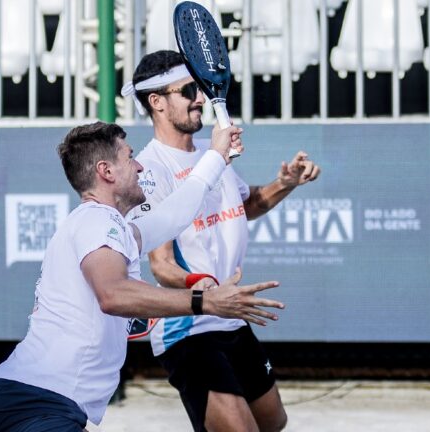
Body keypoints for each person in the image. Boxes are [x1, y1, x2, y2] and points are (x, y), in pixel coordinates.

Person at [0, 121, 285, 432]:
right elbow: (113, 294)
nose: (139, 167)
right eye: (130, 157)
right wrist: (206, 301)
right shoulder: (97, 220)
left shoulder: (113, 229)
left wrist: (216, 155)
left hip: (34, 402)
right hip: (33, 402)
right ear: (106, 171)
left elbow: (176, 213)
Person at [124, 51, 321, 432]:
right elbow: (163, 267)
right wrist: (210, 290)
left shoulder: (210, 153)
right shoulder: (151, 170)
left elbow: (245, 205)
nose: (200, 98)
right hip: (189, 327)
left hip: (229, 317)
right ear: (157, 102)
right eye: (188, 91)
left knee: (273, 422)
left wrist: (286, 183)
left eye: (199, 88)